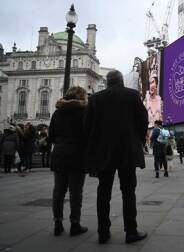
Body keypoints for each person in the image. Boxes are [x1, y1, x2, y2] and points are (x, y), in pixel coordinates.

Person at [84, 70, 148, 244]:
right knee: (128, 193)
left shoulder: (95, 99)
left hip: (104, 152)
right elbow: (143, 120)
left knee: (103, 193)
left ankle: (103, 232)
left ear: (107, 82)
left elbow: (87, 126)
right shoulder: (132, 95)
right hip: (127, 151)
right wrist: (138, 139)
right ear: (121, 81)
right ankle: (131, 231)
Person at [49, 86, 88, 237]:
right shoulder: (84, 112)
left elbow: (51, 135)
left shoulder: (57, 113)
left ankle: (57, 223)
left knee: (58, 191)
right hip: (77, 154)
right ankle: (75, 224)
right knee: (75, 192)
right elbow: (88, 133)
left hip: (59, 153)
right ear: (81, 97)